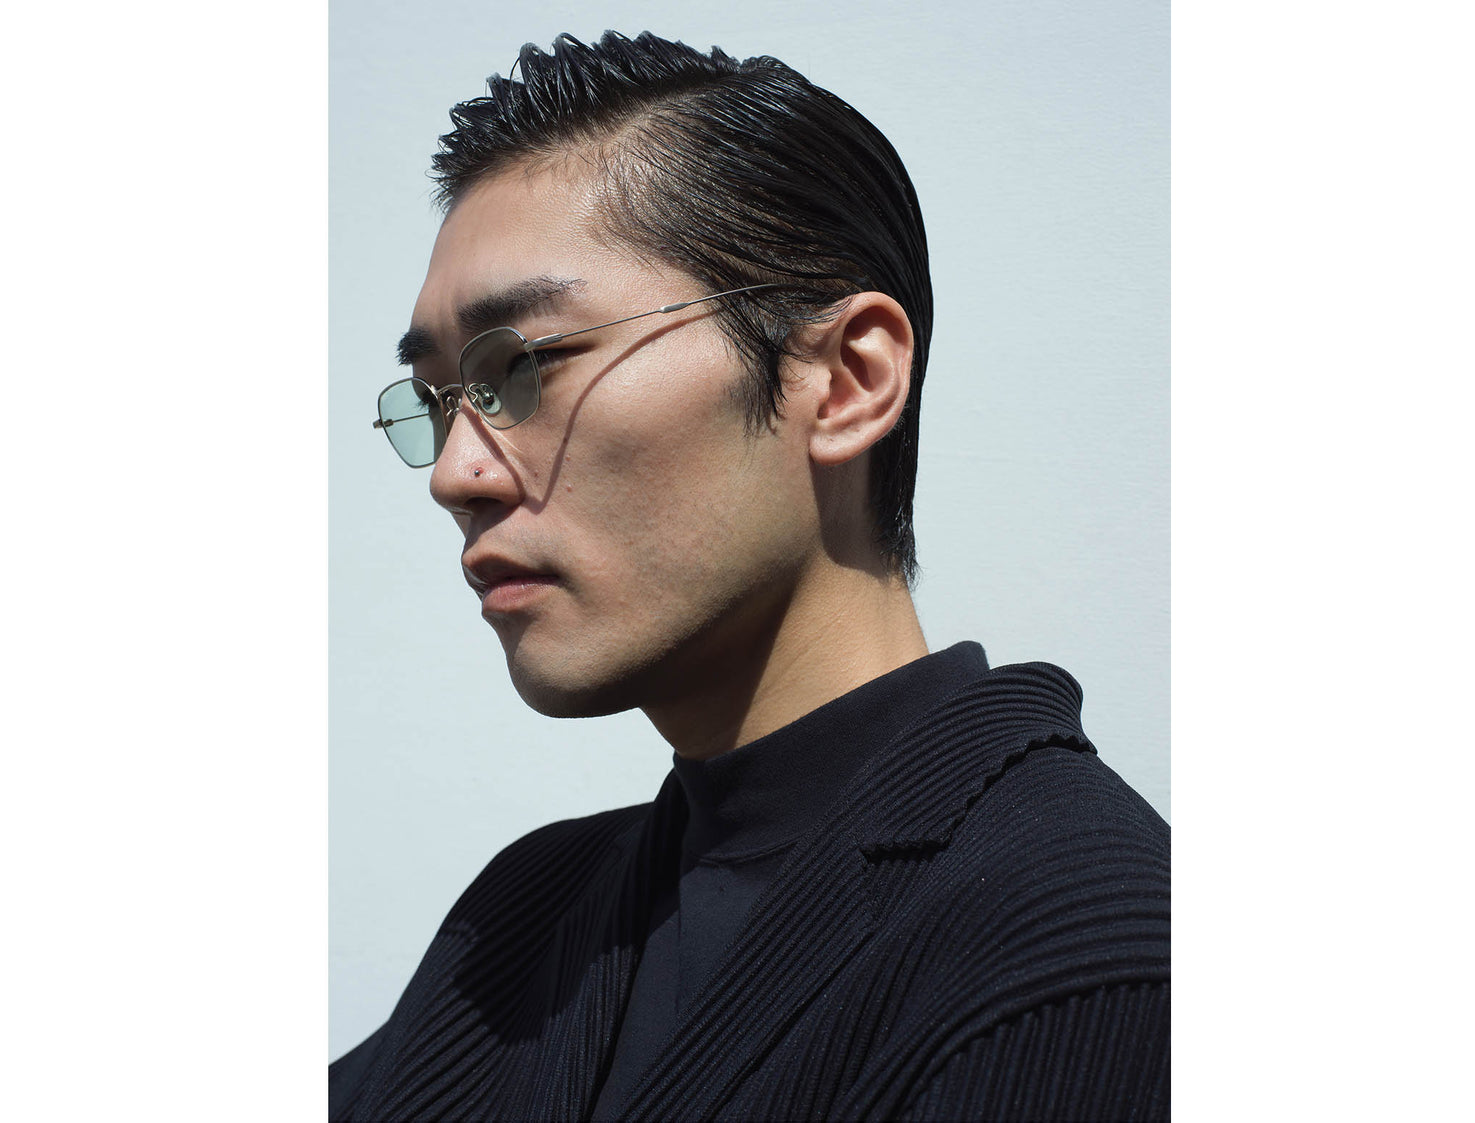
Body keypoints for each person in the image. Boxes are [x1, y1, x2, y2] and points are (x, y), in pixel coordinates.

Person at [333, 30, 1169, 1122]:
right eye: (437, 400)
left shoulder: (1086, 952)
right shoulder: (520, 928)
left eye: (520, 366)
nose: (456, 473)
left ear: (848, 379)